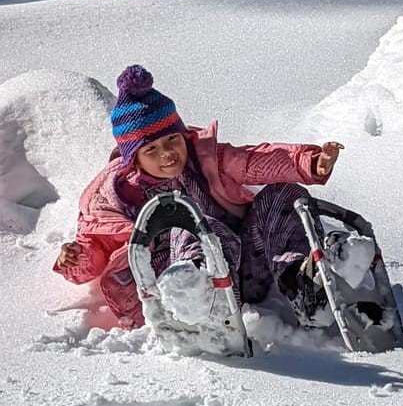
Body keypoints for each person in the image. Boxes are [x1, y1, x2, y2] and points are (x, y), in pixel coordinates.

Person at [54, 64, 342, 329]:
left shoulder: (206, 160)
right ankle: (201, 294)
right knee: (185, 218)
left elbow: (253, 161)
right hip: (174, 295)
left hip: (244, 270)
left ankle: (304, 287)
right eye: (151, 150)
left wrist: (308, 162)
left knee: (284, 194)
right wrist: (76, 259)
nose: (167, 153)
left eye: (172, 140)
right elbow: (94, 250)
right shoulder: (115, 198)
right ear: (135, 161)